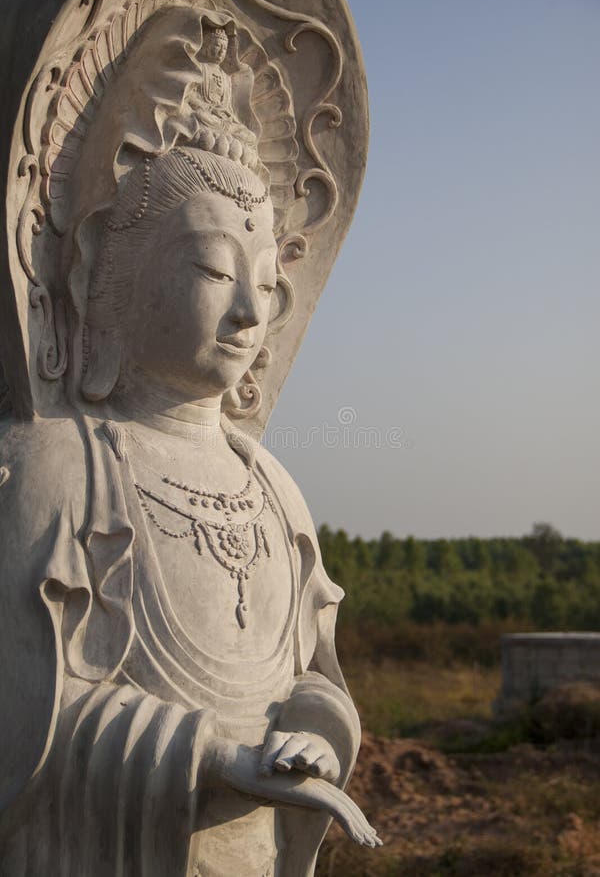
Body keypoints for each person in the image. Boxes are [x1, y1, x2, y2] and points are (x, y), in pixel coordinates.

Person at [0, 137, 380, 874]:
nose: (247, 312)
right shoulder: (55, 467)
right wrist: (208, 756)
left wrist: (318, 733)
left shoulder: (274, 489)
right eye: (213, 270)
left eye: (267, 285)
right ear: (110, 280)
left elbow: (312, 675)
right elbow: (21, 711)